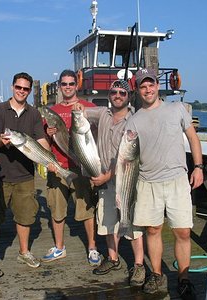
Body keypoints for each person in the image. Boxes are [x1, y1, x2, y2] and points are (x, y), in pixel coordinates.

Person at [125, 68, 203, 298]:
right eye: (142, 86)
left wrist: (198, 167)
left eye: (151, 85)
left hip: (177, 179)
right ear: (138, 90)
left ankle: (183, 278)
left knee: (183, 232)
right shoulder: (134, 120)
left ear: (157, 86)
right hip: (147, 182)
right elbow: (127, 156)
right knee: (153, 229)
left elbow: (192, 138)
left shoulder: (176, 108)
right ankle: (157, 275)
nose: (147, 89)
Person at [73, 79, 145, 286]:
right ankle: (113, 259)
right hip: (103, 178)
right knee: (106, 221)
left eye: (123, 92)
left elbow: (129, 156)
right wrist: (79, 108)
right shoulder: (102, 112)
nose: (118, 95)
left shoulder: (134, 119)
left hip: (126, 177)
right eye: (114, 92)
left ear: (129, 96)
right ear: (109, 94)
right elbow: (83, 114)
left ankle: (139, 265)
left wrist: (107, 176)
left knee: (131, 222)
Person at [0, 72, 51, 276]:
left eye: (25, 89)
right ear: (12, 87)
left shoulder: (33, 114)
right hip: (0, 176)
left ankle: (24, 252)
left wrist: (50, 160)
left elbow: (40, 140)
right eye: (18, 87)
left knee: (25, 217)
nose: (21, 91)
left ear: (30, 91)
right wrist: (1, 142)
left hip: (25, 176)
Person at [42, 69, 101, 266]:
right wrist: (49, 134)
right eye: (64, 84)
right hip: (58, 167)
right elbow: (43, 142)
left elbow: (99, 132)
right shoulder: (53, 112)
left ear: (77, 86)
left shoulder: (88, 106)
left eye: (71, 84)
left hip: (81, 167)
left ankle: (92, 248)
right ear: (59, 86)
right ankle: (60, 247)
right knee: (57, 210)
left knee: (86, 209)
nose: (67, 87)